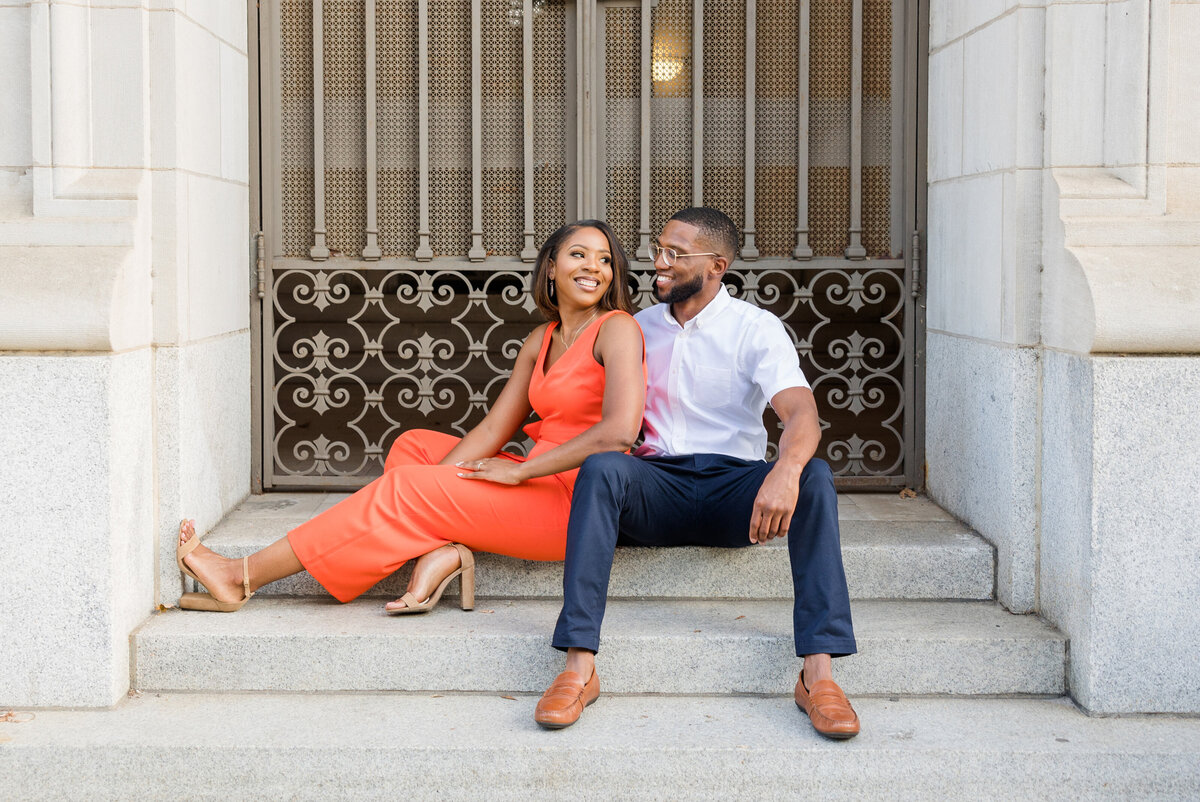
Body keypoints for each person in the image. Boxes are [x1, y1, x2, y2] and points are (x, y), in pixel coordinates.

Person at [176, 220, 646, 615]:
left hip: (575, 504)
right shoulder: (542, 339)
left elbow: (619, 432)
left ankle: (241, 576)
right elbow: (492, 430)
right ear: (550, 267)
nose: (594, 268)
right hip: (538, 481)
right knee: (415, 447)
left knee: (407, 488)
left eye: (605, 260)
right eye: (579, 254)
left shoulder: (618, 329)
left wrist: (517, 470)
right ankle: (440, 548)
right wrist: (440, 487)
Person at [533, 207, 859, 739]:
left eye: (675, 254)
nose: (658, 262)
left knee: (816, 477)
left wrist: (786, 469)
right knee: (603, 469)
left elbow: (802, 413)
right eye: (659, 248)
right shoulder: (636, 328)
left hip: (736, 494)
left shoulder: (754, 328)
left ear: (717, 265)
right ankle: (577, 667)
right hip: (657, 489)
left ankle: (818, 676)